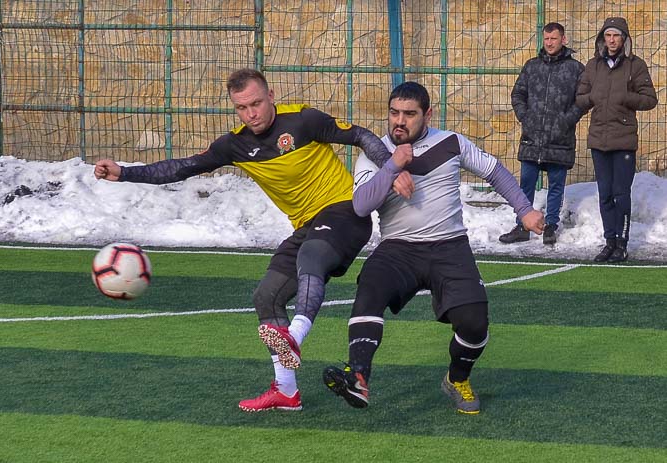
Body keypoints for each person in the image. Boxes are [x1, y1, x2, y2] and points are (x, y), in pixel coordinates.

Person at [93, 68, 393, 412]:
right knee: (266, 296)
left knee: (310, 255)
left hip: (345, 213)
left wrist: (391, 171)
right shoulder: (235, 144)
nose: (251, 113)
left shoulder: (304, 120)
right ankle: (286, 391)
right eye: (241, 107)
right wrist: (124, 173)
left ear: (270, 96)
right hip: (306, 226)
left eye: (255, 103)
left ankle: (292, 338)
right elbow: (182, 167)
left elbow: (362, 136)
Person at [321, 82, 545, 415]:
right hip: (398, 248)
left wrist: (524, 210)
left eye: (409, 114)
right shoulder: (376, 151)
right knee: (369, 287)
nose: (400, 121)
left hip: (449, 246)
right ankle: (359, 376)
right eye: (394, 113)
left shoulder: (451, 142)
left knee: (474, 323)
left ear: (427, 114)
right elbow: (361, 205)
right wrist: (393, 165)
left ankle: (457, 379)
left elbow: (494, 170)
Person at [575, 17, 657, 262]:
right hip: (598, 140)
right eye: (608, 35)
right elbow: (580, 97)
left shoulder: (636, 65)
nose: (612, 40)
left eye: (616, 36)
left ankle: (622, 243)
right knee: (605, 194)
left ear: (624, 39)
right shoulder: (593, 65)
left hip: (624, 141)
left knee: (621, 193)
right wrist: (593, 98)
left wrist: (626, 97)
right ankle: (609, 241)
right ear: (603, 38)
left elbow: (650, 99)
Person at [499, 22, 585, 246]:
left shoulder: (576, 69)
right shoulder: (531, 66)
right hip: (532, 138)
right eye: (546, 39)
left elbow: (583, 101)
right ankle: (522, 225)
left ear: (563, 39)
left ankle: (551, 227)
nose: (549, 43)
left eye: (554, 39)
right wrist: (525, 118)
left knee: (556, 187)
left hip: (560, 139)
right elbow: (518, 93)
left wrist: (566, 121)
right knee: (525, 184)